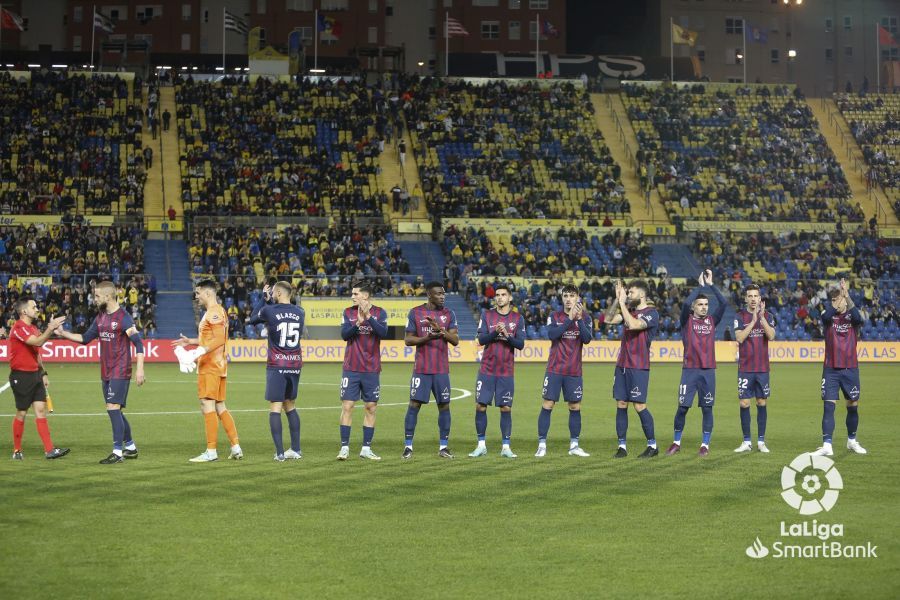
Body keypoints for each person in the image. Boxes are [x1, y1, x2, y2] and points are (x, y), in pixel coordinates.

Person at [55, 281, 146, 464]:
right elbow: (85, 338)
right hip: (106, 371)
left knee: (113, 408)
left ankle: (117, 452)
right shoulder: (101, 317)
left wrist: (140, 369)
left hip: (120, 370)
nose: (94, 299)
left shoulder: (124, 318)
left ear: (108, 296)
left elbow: (138, 343)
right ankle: (130, 447)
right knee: (116, 411)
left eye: (97, 296)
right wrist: (63, 334)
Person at [173, 279, 242, 462]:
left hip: (211, 365)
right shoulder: (214, 312)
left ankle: (211, 452)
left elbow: (219, 339)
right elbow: (211, 338)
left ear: (208, 293)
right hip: (217, 365)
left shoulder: (214, 312)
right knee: (220, 406)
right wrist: (191, 342)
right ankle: (235, 446)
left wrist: (198, 351)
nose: (196, 296)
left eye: (198, 293)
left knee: (207, 405)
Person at [666, 270, 726, 457]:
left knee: (707, 408)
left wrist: (711, 285)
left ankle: (705, 445)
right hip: (689, 371)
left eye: (706, 304)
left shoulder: (712, 321)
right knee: (683, 407)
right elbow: (684, 303)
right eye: (700, 304)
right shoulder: (687, 321)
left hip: (708, 371)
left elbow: (723, 303)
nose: (704, 307)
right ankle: (676, 443)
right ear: (693, 307)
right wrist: (699, 286)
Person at [403, 282, 459, 459]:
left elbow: (456, 340)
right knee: (414, 405)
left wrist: (441, 331)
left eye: (444, 293)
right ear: (429, 294)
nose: (442, 296)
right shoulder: (416, 312)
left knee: (444, 406)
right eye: (439, 294)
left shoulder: (449, 314)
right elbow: (408, 340)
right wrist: (427, 337)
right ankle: (408, 447)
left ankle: (443, 447)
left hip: (441, 370)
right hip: (421, 369)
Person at [536, 284, 593, 458]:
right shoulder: (555, 316)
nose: (568, 299)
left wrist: (579, 319)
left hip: (574, 371)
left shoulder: (586, 317)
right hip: (555, 369)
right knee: (548, 404)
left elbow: (587, 339)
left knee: (575, 406)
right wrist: (569, 318)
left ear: (577, 298)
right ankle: (542, 444)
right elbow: (552, 335)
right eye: (565, 296)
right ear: (562, 298)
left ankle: (574, 445)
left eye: (572, 295)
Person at [469, 284, 525, 459]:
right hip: (487, 369)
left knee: (506, 408)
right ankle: (481, 445)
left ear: (510, 298)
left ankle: (506, 447)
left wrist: (507, 334)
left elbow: (520, 344)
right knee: (480, 405)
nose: (499, 297)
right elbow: (481, 339)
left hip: (506, 371)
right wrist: (495, 331)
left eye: (503, 295)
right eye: (497, 295)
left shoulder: (517, 318)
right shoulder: (487, 315)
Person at [250, 281, 304, 461]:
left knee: (275, 407)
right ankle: (296, 449)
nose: (271, 294)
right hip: (295, 364)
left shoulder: (269, 310)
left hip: (277, 364)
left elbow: (253, 319)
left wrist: (262, 300)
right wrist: (270, 301)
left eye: (273, 292)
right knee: (290, 405)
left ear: (279, 293)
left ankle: (280, 453)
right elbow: (282, 313)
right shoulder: (300, 312)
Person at [605, 279, 659, 459]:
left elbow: (635, 325)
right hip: (622, 365)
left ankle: (652, 445)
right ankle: (622, 447)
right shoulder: (631, 312)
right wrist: (616, 299)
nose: (628, 295)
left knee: (639, 405)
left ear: (642, 294)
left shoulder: (652, 313)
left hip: (639, 366)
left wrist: (622, 303)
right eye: (627, 293)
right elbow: (608, 319)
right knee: (621, 404)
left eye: (631, 293)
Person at [8, 300, 68, 460]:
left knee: (41, 410)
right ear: (24, 312)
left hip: (35, 375)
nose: (37, 309)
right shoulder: (18, 327)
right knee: (22, 412)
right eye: (33, 307)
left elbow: (36, 353)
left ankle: (49, 450)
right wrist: (51, 328)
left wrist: (43, 373)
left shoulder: (32, 328)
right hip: (21, 376)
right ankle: (17, 450)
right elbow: (38, 342)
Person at [813, 279, 866, 456]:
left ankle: (852, 440)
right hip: (831, 369)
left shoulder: (853, 318)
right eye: (834, 301)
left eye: (840, 300)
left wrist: (847, 296)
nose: (837, 303)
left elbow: (859, 318)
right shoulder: (828, 317)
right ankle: (827, 445)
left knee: (853, 404)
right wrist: (837, 302)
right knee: (829, 405)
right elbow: (825, 316)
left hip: (850, 368)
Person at [338, 282, 388, 460]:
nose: (352, 296)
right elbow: (344, 335)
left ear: (365, 296)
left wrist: (368, 317)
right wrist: (357, 324)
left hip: (371, 368)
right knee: (347, 406)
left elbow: (383, 333)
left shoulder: (380, 312)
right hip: (351, 368)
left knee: (371, 407)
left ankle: (366, 449)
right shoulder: (348, 312)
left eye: (355, 293)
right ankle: (344, 448)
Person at [732, 284, 776, 454]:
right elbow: (740, 338)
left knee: (761, 402)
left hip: (762, 368)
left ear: (760, 299)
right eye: (749, 296)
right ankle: (746, 441)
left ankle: (761, 442)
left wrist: (761, 317)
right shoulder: (739, 316)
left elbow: (771, 336)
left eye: (755, 296)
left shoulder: (768, 316)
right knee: (744, 403)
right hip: (745, 368)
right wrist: (752, 322)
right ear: (745, 299)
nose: (752, 299)